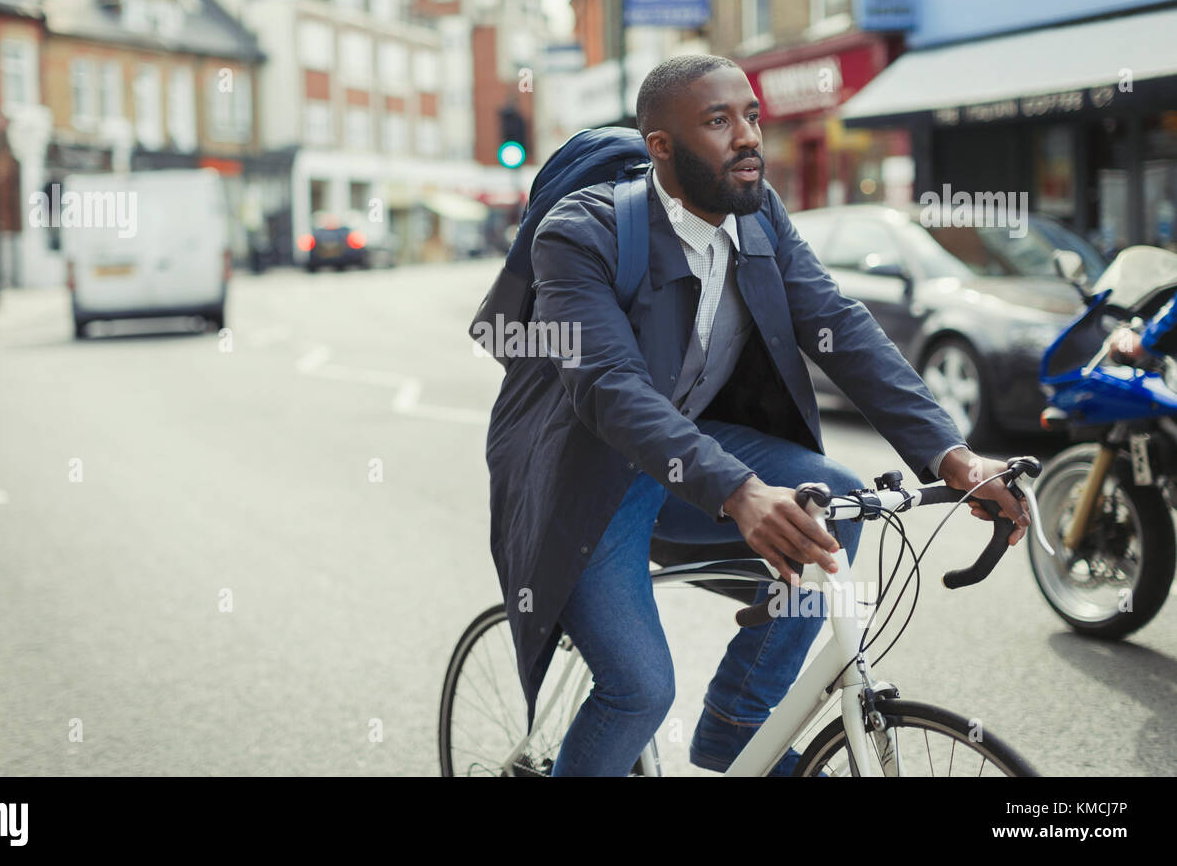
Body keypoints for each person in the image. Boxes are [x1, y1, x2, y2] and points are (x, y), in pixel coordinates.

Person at [484, 54, 1029, 778]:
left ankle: (735, 724)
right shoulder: (579, 234)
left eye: (751, 116)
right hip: (583, 477)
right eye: (718, 121)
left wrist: (951, 458)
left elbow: (840, 325)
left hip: (688, 452)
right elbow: (611, 387)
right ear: (661, 148)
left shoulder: (759, 212)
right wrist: (739, 492)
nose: (747, 137)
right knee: (639, 690)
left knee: (834, 505)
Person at [1106, 294, 1177, 367]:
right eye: (1122, 335)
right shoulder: (1151, 338)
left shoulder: (1158, 351)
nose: (1128, 330)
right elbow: (1172, 313)